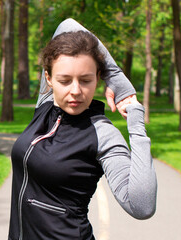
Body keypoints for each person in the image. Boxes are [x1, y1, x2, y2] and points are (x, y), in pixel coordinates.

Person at [8, 19, 157, 240]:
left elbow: (142, 206)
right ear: (48, 79)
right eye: (65, 80)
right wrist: (118, 78)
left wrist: (133, 115)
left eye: (86, 80)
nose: (75, 90)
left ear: (98, 78)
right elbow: (67, 25)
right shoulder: (45, 107)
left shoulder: (102, 134)